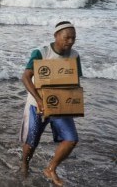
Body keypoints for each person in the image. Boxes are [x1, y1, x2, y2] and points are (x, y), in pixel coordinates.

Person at [19, 21, 82, 186]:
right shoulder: (41, 52)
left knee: (71, 139)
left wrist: (74, 101)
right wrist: (39, 100)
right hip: (36, 104)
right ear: (56, 36)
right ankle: (25, 163)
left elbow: (74, 81)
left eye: (73, 38)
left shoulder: (74, 56)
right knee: (32, 141)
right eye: (66, 37)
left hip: (59, 105)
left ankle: (50, 169)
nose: (70, 41)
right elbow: (25, 77)